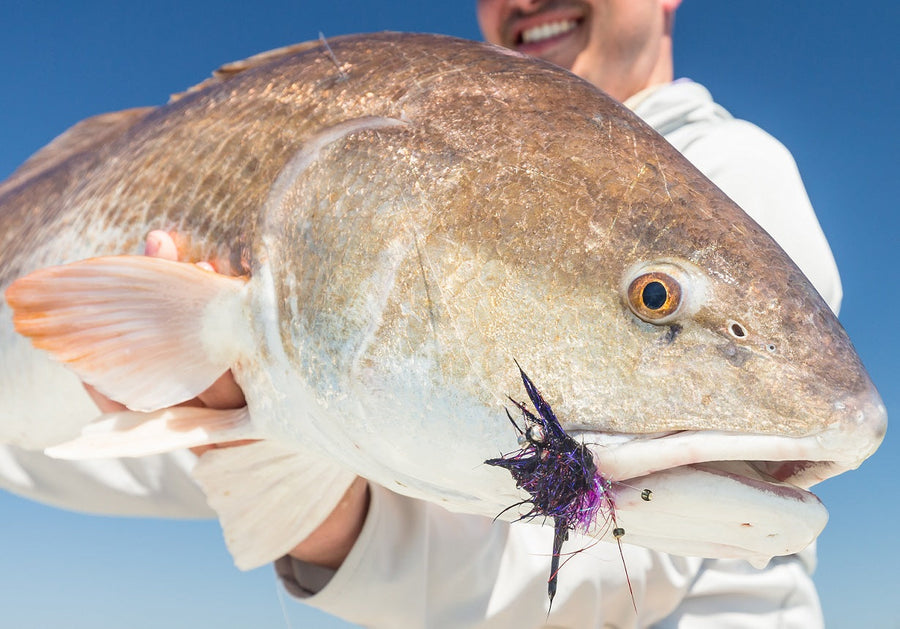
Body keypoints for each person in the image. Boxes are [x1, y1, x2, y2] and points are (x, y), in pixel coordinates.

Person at [0, 1, 841, 626]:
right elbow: (115, 448)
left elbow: (600, 581)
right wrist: (226, 411)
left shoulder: (731, 169)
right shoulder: (453, 161)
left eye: (652, 295)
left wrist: (288, 480)